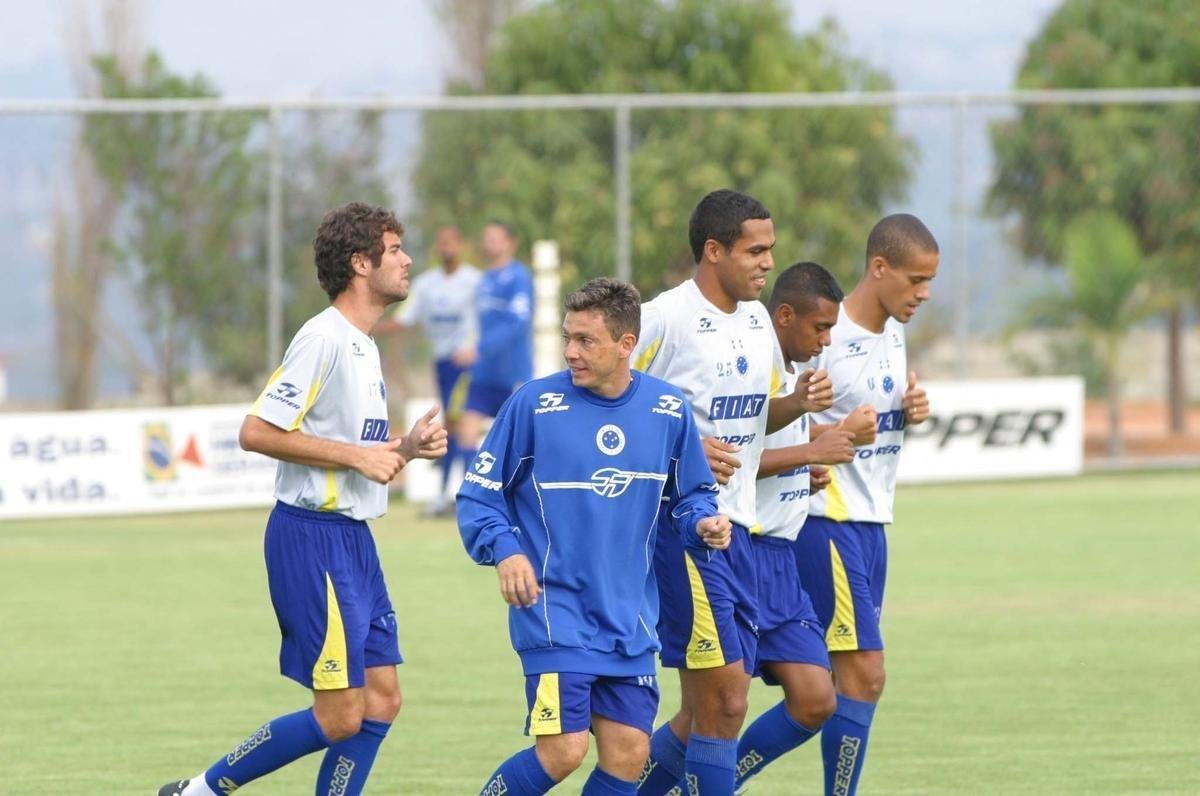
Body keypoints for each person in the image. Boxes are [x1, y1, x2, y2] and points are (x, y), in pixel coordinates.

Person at [158, 203, 448, 796]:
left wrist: (404, 449)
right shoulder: (323, 339)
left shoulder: (363, 345)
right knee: (340, 714)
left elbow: (354, 451)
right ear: (360, 264)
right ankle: (201, 790)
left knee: (383, 699)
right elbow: (257, 431)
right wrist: (358, 457)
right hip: (311, 540)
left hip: (352, 539)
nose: (408, 259)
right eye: (395, 250)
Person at [456, 277, 732, 795]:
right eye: (568, 338)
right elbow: (479, 495)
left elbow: (693, 497)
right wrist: (507, 550)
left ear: (627, 345)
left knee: (630, 753)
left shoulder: (668, 410)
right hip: (555, 611)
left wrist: (704, 525)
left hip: (629, 618)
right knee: (563, 750)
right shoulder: (534, 405)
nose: (571, 352)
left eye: (586, 341)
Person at [633, 190, 832, 795]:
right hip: (684, 529)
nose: (768, 262)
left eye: (771, 249)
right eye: (755, 250)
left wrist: (794, 408)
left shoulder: (753, 322)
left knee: (707, 713)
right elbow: (602, 406)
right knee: (725, 699)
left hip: (740, 532)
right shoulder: (661, 318)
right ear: (714, 251)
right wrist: (683, 443)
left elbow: (749, 421)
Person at [793, 214, 937, 796]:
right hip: (827, 521)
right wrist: (832, 427)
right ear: (879, 268)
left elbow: (876, 425)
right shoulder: (826, 335)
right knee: (863, 677)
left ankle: (693, 779)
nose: (923, 294)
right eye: (914, 280)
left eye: (930, 282)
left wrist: (914, 413)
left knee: (829, 693)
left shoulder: (894, 333)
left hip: (872, 525)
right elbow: (781, 423)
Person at [734, 262, 878, 790]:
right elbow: (734, 453)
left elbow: (771, 442)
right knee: (710, 713)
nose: (826, 341)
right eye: (820, 328)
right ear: (786, 315)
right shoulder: (754, 360)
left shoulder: (790, 369)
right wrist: (816, 447)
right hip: (743, 553)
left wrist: (806, 460)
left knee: (816, 698)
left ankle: (707, 780)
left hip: (781, 560)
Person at [375, 225, 481, 516]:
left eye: (451, 241)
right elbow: (403, 320)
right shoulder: (426, 284)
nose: (446, 247)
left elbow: (490, 318)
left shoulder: (476, 281)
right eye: (441, 242)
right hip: (443, 363)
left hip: (470, 364)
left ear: (461, 245)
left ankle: (464, 497)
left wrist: (478, 347)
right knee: (451, 425)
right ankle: (452, 495)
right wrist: (367, 326)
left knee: (458, 424)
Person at [455, 220, 535, 466]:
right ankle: (470, 495)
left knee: (519, 441)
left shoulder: (519, 277)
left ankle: (518, 495)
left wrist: (480, 348)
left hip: (512, 374)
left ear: (510, 243)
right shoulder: (484, 280)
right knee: (466, 433)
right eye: (487, 237)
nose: (489, 243)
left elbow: (517, 323)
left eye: (495, 238)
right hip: (483, 375)